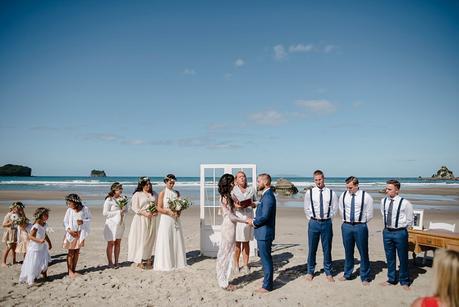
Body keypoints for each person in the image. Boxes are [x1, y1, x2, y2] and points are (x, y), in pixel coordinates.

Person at [216, 173, 250, 291]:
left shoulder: (227, 196)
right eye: (233, 182)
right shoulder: (225, 197)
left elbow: (235, 209)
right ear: (229, 183)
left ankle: (223, 279)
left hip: (231, 226)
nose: (235, 183)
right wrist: (245, 220)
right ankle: (223, 282)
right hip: (228, 227)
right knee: (225, 254)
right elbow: (231, 216)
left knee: (226, 254)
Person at [338, 176, 374, 285]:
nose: (348, 190)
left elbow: (370, 214)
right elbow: (341, 210)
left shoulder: (366, 197)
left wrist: (360, 222)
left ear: (357, 185)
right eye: (347, 187)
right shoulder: (343, 195)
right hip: (346, 226)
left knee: (363, 252)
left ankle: (365, 277)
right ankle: (347, 274)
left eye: (350, 187)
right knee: (348, 252)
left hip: (360, 227)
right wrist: (347, 222)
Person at [304, 170, 338, 282]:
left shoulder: (331, 193)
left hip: (327, 223)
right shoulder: (310, 192)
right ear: (314, 180)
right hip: (313, 223)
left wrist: (327, 218)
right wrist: (313, 219)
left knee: (327, 248)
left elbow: (334, 208)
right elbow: (306, 208)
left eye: (320, 179)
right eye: (316, 180)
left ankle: (328, 272)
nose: (318, 182)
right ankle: (310, 271)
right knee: (312, 249)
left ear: (324, 179)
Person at [380, 179, 413, 290]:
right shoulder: (383, 201)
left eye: (389, 189)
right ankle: (391, 279)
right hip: (387, 232)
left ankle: (404, 281)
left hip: (400, 232)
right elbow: (383, 215)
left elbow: (409, 219)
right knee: (390, 257)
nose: (387, 191)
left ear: (397, 190)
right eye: (386, 188)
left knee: (403, 257)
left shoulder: (405, 203)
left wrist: (401, 228)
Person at [248, 173, 276, 293]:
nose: (257, 184)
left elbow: (265, 216)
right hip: (263, 233)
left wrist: (253, 222)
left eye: (259, 181)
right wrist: (257, 205)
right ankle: (267, 281)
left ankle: (267, 286)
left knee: (266, 259)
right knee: (265, 258)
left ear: (265, 182)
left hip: (264, 234)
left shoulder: (268, 196)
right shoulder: (266, 195)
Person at [153, 174, 187, 271]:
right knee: (167, 238)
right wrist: (168, 212)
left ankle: (177, 261)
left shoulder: (177, 193)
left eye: (173, 183)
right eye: (170, 182)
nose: (172, 184)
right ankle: (166, 262)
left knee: (176, 238)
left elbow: (180, 204)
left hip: (175, 218)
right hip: (166, 218)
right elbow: (159, 208)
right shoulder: (162, 193)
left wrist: (179, 212)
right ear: (166, 182)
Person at [127, 177, 158, 269]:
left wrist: (156, 212)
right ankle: (139, 259)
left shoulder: (154, 194)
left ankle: (147, 257)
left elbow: (157, 205)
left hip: (152, 218)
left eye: (149, 184)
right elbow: (134, 207)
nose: (148, 186)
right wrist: (144, 213)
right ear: (142, 185)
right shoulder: (137, 194)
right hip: (141, 219)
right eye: (146, 184)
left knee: (150, 238)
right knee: (142, 238)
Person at [231, 171, 257, 274]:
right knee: (237, 243)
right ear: (236, 179)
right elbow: (230, 204)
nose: (243, 178)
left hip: (248, 217)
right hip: (238, 217)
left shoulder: (251, 189)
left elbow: (256, 202)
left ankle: (246, 264)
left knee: (246, 242)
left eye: (244, 176)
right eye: (240, 177)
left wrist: (252, 204)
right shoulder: (233, 190)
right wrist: (237, 206)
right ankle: (236, 264)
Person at [19, 207, 52, 286]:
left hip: (42, 247)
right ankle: (31, 278)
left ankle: (45, 275)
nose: (47, 216)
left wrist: (49, 242)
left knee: (44, 261)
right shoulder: (36, 225)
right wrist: (39, 240)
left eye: (47, 214)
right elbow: (30, 237)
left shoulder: (44, 224)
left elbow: (45, 234)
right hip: (35, 247)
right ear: (40, 215)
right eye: (45, 215)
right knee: (34, 263)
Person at [63, 194, 92, 278]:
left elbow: (89, 218)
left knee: (76, 252)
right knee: (71, 252)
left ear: (75, 202)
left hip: (80, 233)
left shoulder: (85, 209)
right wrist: (69, 230)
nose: (68, 205)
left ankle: (74, 269)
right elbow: (65, 222)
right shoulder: (69, 210)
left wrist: (83, 221)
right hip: (71, 233)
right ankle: (70, 271)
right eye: (67, 203)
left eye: (69, 203)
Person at [103, 182, 129, 268]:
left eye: (121, 188)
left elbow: (126, 210)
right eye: (119, 188)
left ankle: (117, 261)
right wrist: (118, 212)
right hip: (111, 224)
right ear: (114, 190)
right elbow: (105, 213)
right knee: (111, 243)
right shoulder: (109, 200)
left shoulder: (123, 199)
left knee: (118, 243)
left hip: (120, 224)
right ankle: (110, 262)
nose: (121, 190)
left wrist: (123, 211)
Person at [2, 201, 25, 267]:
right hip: (10, 233)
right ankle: (3, 262)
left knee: (14, 247)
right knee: (8, 247)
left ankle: (14, 260)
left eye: (20, 208)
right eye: (17, 208)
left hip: (16, 232)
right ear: (13, 208)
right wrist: (10, 223)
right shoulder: (9, 214)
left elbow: (24, 219)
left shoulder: (19, 214)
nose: (18, 209)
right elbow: (3, 224)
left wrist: (22, 212)